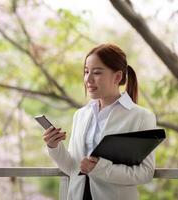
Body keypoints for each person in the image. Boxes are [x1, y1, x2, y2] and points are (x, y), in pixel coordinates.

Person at [42, 43, 157, 200]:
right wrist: (54, 146)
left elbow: (145, 173)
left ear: (117, 77)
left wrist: (100, 168)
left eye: (96, 73)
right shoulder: (80, 115)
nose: (88, 79)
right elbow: (72, 168)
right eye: (86, 72)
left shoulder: (141, 117)